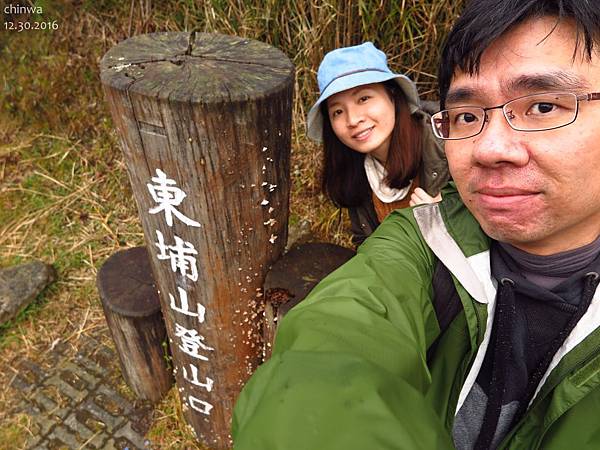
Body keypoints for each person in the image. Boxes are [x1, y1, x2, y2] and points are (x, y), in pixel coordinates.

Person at [232, 0, 600, 449]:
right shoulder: (385, 203)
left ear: (396, 99)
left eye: (542, 106)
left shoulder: (435, 156)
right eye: (467, 115)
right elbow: (335, 342)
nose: (489, 149)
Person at [306, 42, 449, 245]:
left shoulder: (449, 145)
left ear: (393, 95)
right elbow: (365, 243)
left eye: (363, 98)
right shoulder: (355, 172)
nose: (353, 119)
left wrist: (449, 219)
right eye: (337, 111)